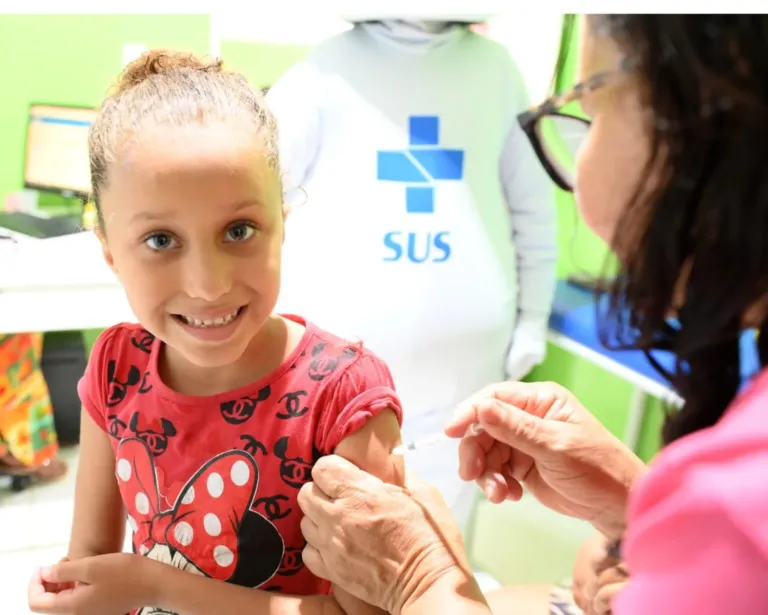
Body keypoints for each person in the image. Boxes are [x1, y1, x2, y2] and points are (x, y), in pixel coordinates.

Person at [288, 14, 768, 615]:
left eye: (588, 113)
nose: (578, 169)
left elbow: (532, 215)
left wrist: (420, 584)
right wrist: (639, 507)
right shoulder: (323, 75)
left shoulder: (741, 511)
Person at [27, 50, 405, 615]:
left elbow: (365, 612)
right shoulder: (116, 368)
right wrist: (69, 592)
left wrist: (157, 585)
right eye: (160, 240)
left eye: (239, 230)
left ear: (282, 223)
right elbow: (92, 563)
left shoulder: (343, 397)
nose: (208, 285)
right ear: (109, 252)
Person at [267, 16, 558, 535]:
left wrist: (533, 316)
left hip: (467, 366)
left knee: (447, 514)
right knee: (339, 511)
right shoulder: (325, 71)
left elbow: (533, 208)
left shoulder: (497, 71)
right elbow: (258, 197)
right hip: (340, 367)